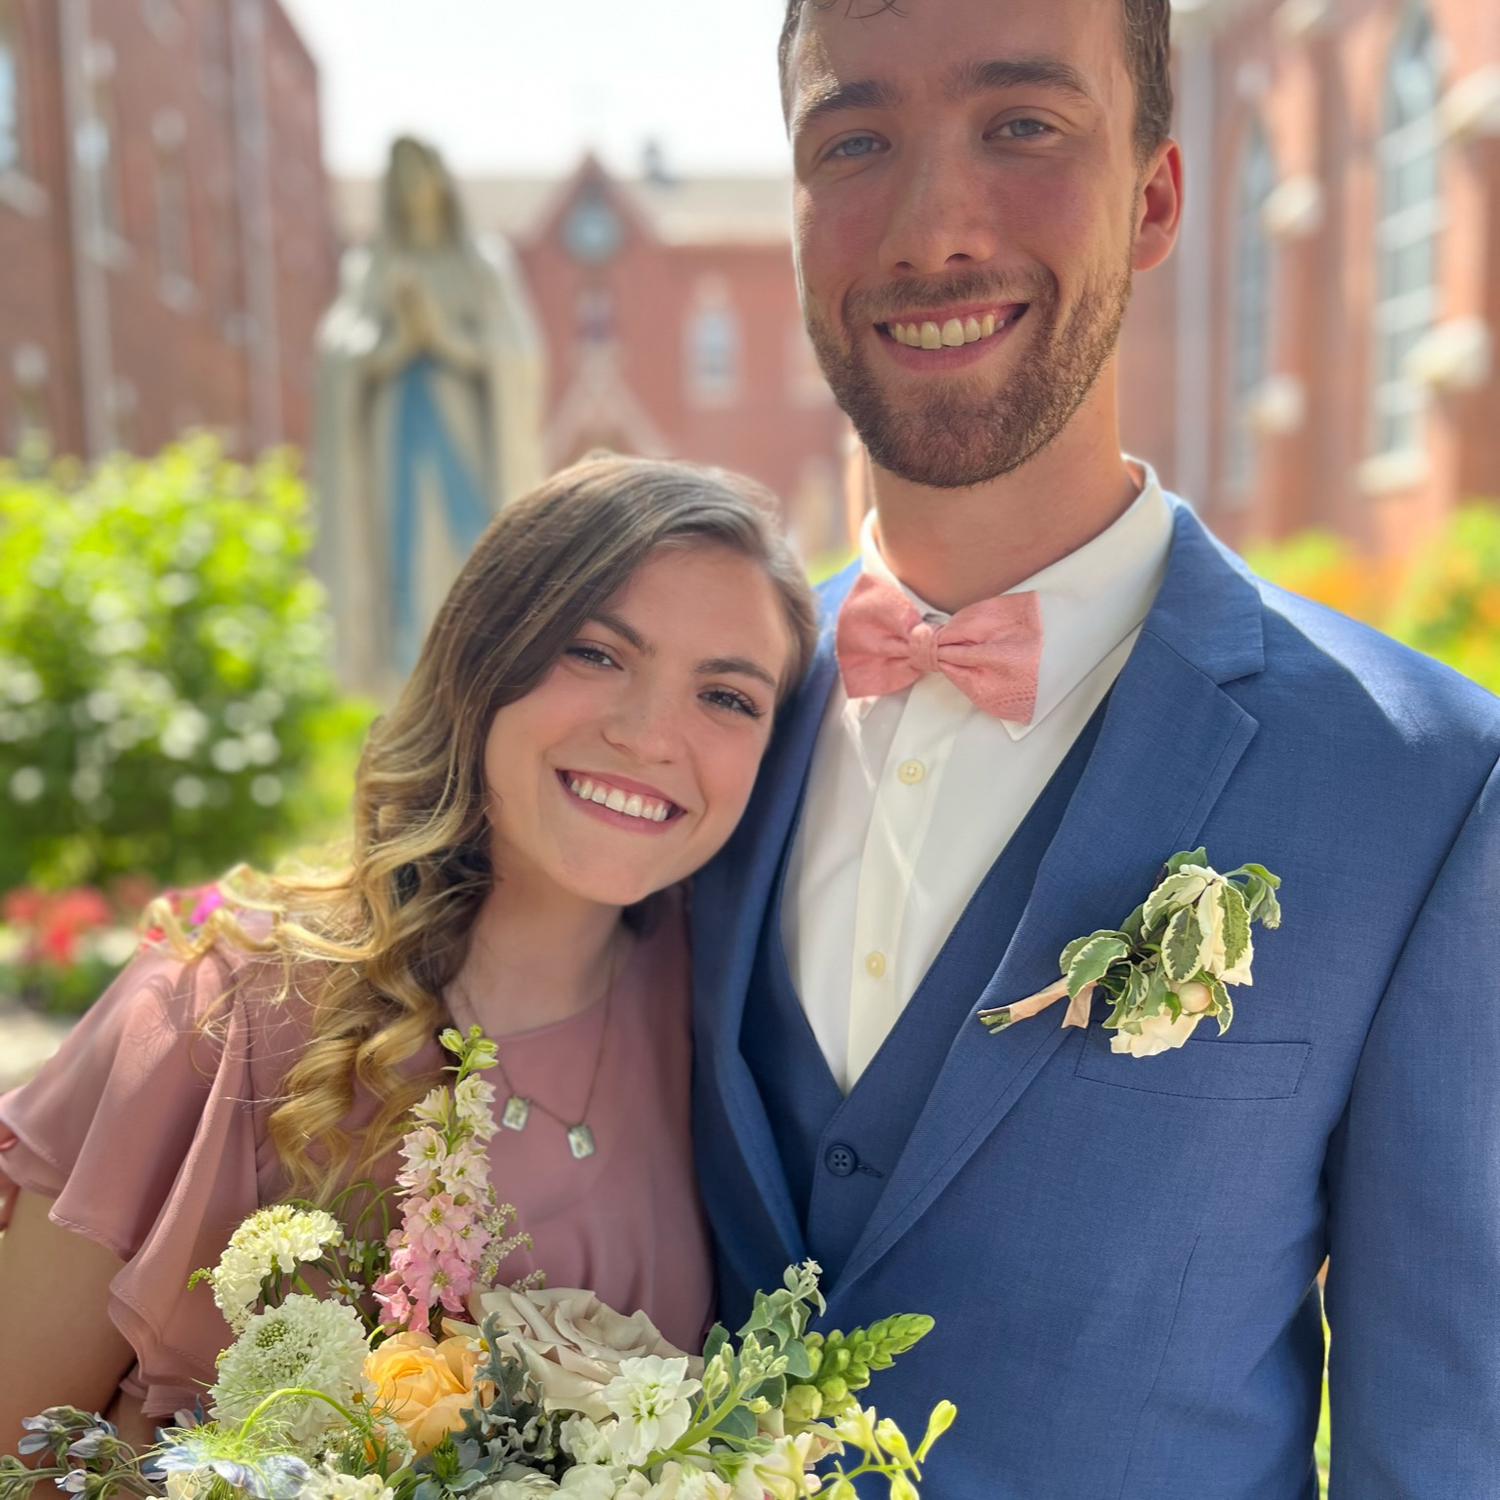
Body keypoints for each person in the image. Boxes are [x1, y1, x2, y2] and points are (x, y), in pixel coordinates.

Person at [690, 1, 1500, 1496]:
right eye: (856, 139)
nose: (934, 229)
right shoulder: (682, 723)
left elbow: (1443, 1446)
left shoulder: (1426, 784)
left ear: (1156, 199)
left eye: (1023, 126)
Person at [0, 454, 817, 1451]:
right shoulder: (215, 1005)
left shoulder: (728, 1021)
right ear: (486, 655)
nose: (649, 735)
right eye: (596, 653)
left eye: (727, 698)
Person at [314, 135, 545, 693]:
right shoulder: (369, 268)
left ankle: (480, 661)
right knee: (406, 558)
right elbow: (341, 354)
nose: (414, 188)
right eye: (401, 176)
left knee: (470, 548)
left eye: (422, 172)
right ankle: (405, 673)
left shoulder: (481, 264)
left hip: (464, 429)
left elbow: (516, 353)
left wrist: (441, 337)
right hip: (394, 436)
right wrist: (393, 346)